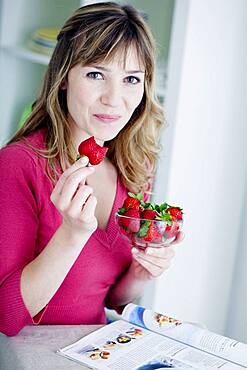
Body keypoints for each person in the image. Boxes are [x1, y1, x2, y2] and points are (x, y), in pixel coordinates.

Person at [0, 1, 183, 337]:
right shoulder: (18, 165)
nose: (114, 99)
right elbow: (6, 318)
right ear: (64, 77)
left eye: (131, 79)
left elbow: (111, 299)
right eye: (96, 74)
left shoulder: (135, 165)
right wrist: (71, 234)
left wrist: (142, 272)